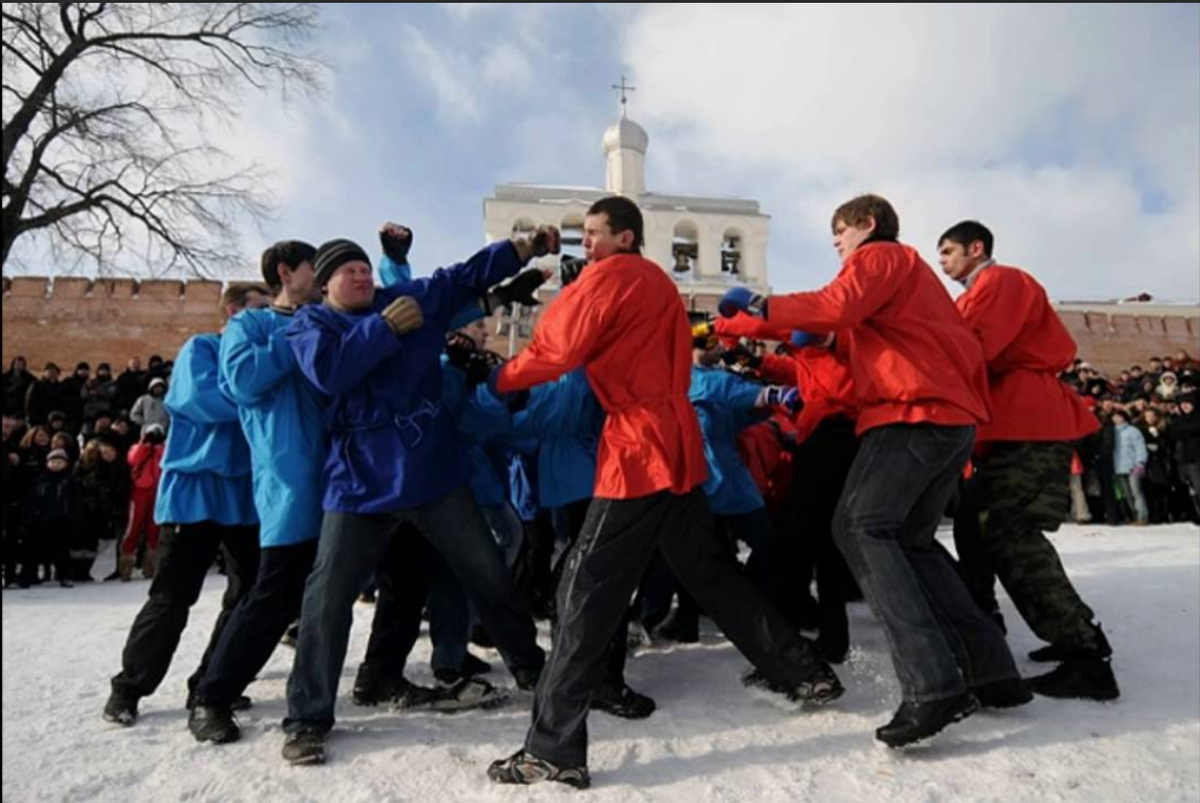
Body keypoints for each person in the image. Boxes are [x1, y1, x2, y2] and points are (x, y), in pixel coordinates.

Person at [488, 196, 839, 789]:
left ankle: (553, 748)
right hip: (675, 446)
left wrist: (501, 377)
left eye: (596, 233)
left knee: (584, 587)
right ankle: (802, 670)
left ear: (626, 237)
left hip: (639, 447)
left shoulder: (613, 274)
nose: (588, 244)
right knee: (710, 571)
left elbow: (559, 347)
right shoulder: (657, 283)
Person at [721, 195, 1024, 749]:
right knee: (911, 539)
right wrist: (748, 324)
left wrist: (764, 305)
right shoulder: (903, 286)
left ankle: (933, 683)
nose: (837, 243)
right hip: (945, 416)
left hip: (911, 412)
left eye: (840, 231)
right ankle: (991, 669)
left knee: (859, 527)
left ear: (867, 224)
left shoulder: (881, 256)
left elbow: (835, 304)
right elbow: (830, 330)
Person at [278, 228, 551, 766]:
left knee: (487, 572)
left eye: (364, 268)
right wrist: (381, 330)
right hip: (359, 481)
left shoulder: (405, 301)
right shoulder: (312, 324)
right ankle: (307, 718)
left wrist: (520, 249)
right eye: (346, 270)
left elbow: (461, 277)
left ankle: (532, 669)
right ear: (326, 283)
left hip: (431, 471)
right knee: (327, 598)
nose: (360, 275)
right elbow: (330, 373)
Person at [938, 220, 1119, 700]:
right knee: (975, 530)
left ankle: (1086, 654)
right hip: (1013, 428)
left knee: (1010, 533)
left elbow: (976, 348)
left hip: (1031, 425)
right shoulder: (980, 290)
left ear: (977, 249)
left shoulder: (1002, 281)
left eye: (950, 251)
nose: (943, 262)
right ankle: (990, 628)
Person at [102, 286, 269, 727]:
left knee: (248, 594)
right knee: (173, 595)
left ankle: (212, 682)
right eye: (259, 309)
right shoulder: (203, 348)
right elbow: (202, 401)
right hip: (194, 488)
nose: (268, 316)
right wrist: (264, 391)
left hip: (244, 494)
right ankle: (128, 688)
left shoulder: (260, 355)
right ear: (234, 312)